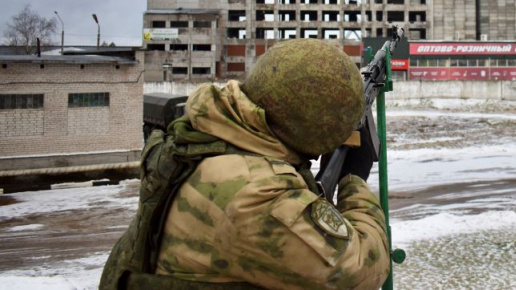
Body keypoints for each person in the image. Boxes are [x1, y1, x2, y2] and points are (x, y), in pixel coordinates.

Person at [101, 39, 390, 289]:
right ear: (316, 128)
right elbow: (360, 270)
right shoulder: (256, 193)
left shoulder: (215, 132)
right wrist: (353, 179)